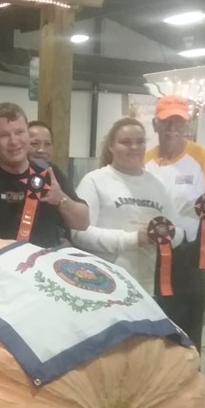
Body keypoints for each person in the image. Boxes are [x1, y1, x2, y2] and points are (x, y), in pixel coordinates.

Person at [145, 95, 205, 349]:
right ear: (155, 124)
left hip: (190, 255)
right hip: (149, 254)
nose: (173, 128)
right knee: (154, 321)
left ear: (187, 124)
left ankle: (190, 370)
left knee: (187, 327)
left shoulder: (202, 158)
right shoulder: (145, 160)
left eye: (179, 122)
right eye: (167, 121)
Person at [72, 118, 187, 292]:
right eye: (126, 142)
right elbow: (79, 233)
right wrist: (133, 239)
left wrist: (161, 235)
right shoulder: (94, 181)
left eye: (140, 142)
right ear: (111, 146)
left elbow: (178, 230)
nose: (134, 147)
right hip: (103, 281)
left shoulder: (158, 184)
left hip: (148, 284)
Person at [0, 102, 89, 248]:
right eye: (4, 135)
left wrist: (61, 199)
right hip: (1, 259)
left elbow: (83, 223)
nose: (13, 141)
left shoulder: (50, 173)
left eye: (19, 132)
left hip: (49, 259)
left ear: (28, 134)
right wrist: (9, 254)